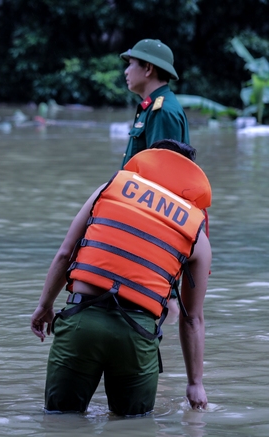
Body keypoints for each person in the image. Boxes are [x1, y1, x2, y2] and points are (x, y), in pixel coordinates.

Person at [30, 139, 211, 416]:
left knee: (60, 422)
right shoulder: (196, 231)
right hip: (136, 336)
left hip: (82, 321)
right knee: (133, 426)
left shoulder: (110, 188)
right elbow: (191, 318)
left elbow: (66, 253)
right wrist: (195, 383)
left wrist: (44, 306)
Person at [120, 39, 189, 168]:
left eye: (130, 64)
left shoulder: (162, 111)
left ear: (148, 68)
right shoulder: (150, 107)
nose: (126, 71)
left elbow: (161, 173)